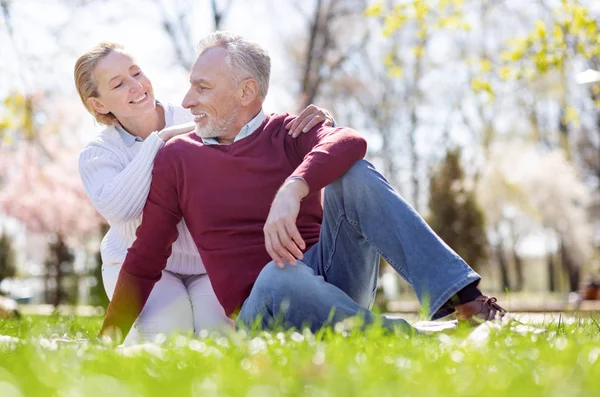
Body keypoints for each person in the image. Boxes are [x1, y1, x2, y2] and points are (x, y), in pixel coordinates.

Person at [100, 32, 506, 340]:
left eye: (202, 87)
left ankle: (468, 303)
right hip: (264, 309)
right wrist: (108, 340)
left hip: (334, 280)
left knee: (354, 173)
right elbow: (145, 256)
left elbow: (350, 142)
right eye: (191, 85)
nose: (187, 100)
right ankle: (414, 340)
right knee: (279, 276)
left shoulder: (289, 131)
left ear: (246, 92)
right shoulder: (179, 157)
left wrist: (293, 188)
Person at [74, 42, 336, 343]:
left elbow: (247, 122)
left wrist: (319, 122)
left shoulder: (193, 117)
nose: (136, 86)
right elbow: (121, 209)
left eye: (136, 72)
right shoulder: (99, 154)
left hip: (206, 264)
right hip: (138, 263)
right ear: (98, 105)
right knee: (168, 331)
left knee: (220, 337)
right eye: (119, 84)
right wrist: (159, 143)